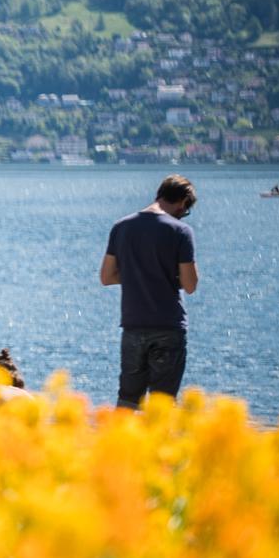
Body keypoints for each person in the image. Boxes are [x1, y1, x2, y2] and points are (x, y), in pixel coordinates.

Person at [99, 174, 200, 409]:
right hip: (168, 327)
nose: (183, 215)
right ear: (183, 202)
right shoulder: (181, 232)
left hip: (133, 326)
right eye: (185, 211)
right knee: (161, 405)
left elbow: (106, 277)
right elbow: (190, 285)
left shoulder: (121, 227)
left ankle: (117, 445)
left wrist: (138, 274)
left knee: (127, 400)